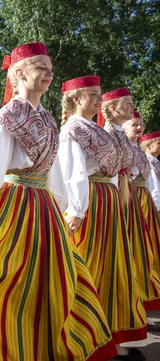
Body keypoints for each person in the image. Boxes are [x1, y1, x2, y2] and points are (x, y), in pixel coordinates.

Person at [0, 43, 116, 361]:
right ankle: (8, 347)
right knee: (10, 280)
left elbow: (54, 171)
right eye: (41, 66)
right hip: (15, 207)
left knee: (57, 279)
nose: (49, 72)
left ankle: (44, 346)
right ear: (19, 73)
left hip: (44, 209)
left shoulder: (49, 120)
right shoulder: (6, 118)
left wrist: (65, 206)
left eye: (50, 67)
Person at [58, 77, 148, 358]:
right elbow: (73, 174)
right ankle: (84, 336)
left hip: (106, 199)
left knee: (111, 266)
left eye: (100, 94)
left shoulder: (98, 131)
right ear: (76, 99)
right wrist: (76, 210)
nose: (99, 99)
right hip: (91, 202)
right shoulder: (72, 129)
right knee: (90, 266)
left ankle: (110, 335)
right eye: (93, 94)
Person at [123, 113, 160, 313]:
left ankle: (142, 296)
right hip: (130, 197)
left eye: (141, 125)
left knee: (143, 247)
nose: (139, 128)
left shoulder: (136, 151)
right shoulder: (122, 147)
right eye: (135, 125)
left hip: (141, 199)